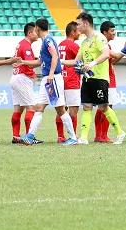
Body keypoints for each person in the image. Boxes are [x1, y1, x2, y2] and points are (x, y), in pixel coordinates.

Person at [20, 18, 78, 146]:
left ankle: (73, 137)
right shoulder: (44, 42)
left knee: (60, 109)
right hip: (47, 79)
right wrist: (23, 62)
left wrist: (51, 74)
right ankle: (30, 136)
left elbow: (55, 56)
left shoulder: (48, 40)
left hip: (53, 78)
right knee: (39, 107)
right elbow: (40, 62)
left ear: (37, 28)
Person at [74, 12, 125, 145]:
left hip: (99, 79)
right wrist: (60, 62)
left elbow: (106, 54)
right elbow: (76, 61)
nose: (77, 27)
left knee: (103, 107)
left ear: (86, 24)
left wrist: (91, 64)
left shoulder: (99, 37)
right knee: (86, 107)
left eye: (79, 24)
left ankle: (120, 132)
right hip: (87, 80)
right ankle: (83, 138)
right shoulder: (84, 42)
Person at [10, 22, 38, 143]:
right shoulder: (26, 46)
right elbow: (27, 63)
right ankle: (29, 137)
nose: (37, 34)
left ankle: (16, 136)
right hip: (22, 78)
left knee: (18, 109)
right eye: (36, 31)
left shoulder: (21, 44)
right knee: (31, 108)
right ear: (30, 33)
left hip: (15, 77)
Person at [56, 21, 81, 143]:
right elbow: (81, 61)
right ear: (72, 32)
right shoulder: (74, 46)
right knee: (73, 110)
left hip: (61, 80)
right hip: (72, 81)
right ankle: (73, 135)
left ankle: (60, 136)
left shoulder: (59, 44)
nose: (80, 33)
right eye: (78, 31)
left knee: (61, 109)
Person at [94, 21, 119, 143]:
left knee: (101, 107)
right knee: (108, 107)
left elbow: (111, 61)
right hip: (108, 80)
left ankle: (99, 135)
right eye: (112, 30)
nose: (114, 33)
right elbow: (116, 56)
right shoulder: (105, 46)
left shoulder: (99, 43)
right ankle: (103, 135)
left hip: (101, 79)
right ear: (105, 32)